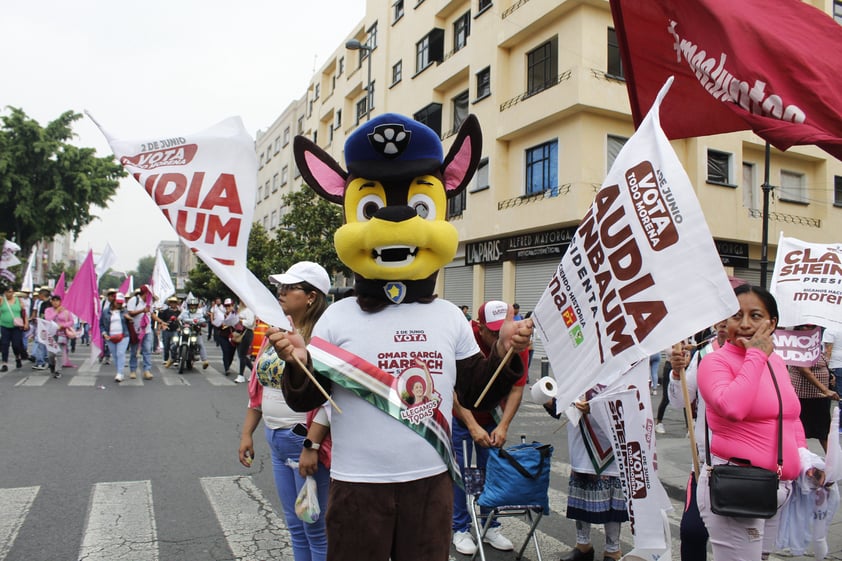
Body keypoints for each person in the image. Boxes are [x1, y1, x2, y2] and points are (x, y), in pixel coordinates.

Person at [276, 113, 531, 561]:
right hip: (357, 486)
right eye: (370, 209)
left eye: (419, 208)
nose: (395, 219)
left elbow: (475, 392)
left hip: (430, 482)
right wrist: (297, 361)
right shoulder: (338, 316)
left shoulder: (449, 315)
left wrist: (506, 351)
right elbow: (306, 399)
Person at [697, 284, 818, 561]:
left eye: (755, 316)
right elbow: (732, 407)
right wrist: (755, 355)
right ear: (725, 322)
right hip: (740, 487)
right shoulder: (715, 363)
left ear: (772, 323)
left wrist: (806, 459)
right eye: (737, 316)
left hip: (776, 488)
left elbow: (789, 415)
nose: (745, 324)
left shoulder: (776, 362)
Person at [239, 261, 333, 561]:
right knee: (295, 524)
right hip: (276, 439)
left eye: (289, 287)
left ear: (311, 297)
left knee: (315, 528)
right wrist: (247, 434)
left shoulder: (323, 336)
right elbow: (260, 389)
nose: (280, 292)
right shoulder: (279, 332)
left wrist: (312, 445)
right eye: (280, 286)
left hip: (302, 440)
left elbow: (329, 398)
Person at [451, 301, 527, 555]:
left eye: (501, 330)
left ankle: (490, 524)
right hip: (461, 416)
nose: (498, 336)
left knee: (491, 472)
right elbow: (451, 388)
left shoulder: (515, 340)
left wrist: (503, 426)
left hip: (493, 416)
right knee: (461, 474)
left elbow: (517, 388)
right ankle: (460, 528)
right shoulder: (465, 337)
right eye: (492, 332)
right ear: (479, 327)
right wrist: (472, 425)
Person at [667, 320, 728, 561]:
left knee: (737, 542)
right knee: (691, 532)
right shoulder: (703, 356)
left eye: (730, 319)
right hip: (705, 464)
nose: (723, 326)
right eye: (719, 321)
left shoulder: (761, 358)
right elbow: (679, 401)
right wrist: (675, 373)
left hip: (743, 468)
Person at [787, 324, 838, 452]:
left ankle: (831, 463)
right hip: (804, 396)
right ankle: (803, 461)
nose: (810, 329)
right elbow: (804, 370)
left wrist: (830, 375)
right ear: (798, 329)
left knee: (824, 431)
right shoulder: (797, 345)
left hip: (819, 397)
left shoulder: (814, 344)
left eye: (813, 326)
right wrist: (825, 389)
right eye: (805, 326)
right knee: (800, 432)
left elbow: (822, 362)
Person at [167, 299, 210, 370]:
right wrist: (176, 320)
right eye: (191, 306)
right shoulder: (184, 312)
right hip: (184, 331)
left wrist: (201, 322)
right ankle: (171, 359)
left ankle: (205, 361)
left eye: (194, 306)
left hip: (195, 332)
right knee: (174, 343)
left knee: (200, 344)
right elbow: (179, 318)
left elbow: (203, 320)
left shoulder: (199, 313)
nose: (192, 307)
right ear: (188, 306)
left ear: (196, 306)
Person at [126, 284, 156, 380]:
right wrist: (142, 310)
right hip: (135, 330)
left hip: (147, 330)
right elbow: (130, 312)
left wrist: (161, 322)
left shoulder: (149, 302)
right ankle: (133, 370)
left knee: (147, 350)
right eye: (149, 293)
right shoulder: (133, 300)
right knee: (134, 352)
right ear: (145, 293)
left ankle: (147, 370)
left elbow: (151, 314)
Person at [101, 292, 130, 382]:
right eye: (118, 303)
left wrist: (129, 318)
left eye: (121, 303)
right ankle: (119, 371)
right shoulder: (106, 311)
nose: (119, 305)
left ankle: (120, 373)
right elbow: (101, 324)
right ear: (113, 301)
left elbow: (131, 323)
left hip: (123, 335)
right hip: (110, 336)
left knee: (120, 353)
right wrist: (104, 333)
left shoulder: (124, 310)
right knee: (115, 355)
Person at [43, 294, 74, 379]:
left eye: (57, 300)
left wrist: (62, 325)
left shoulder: (66, 311)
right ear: (51, 301)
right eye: (54, 300)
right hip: (51, 334)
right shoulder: (48, 310)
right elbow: (48, 319)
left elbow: (71, 322)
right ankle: (52, 365)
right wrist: (56, 312)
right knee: (51, 354)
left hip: (61, 334)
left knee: (59, 353)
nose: (55, 302)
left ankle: (58, 370)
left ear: (60, 302)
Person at [1, 284, 29, 372]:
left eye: (12, 292)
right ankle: (4, 363)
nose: (10, 294)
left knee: (16, 345)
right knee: (4, 344)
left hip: (16, 327)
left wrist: (26, 323)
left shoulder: (19, 300)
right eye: (8, 292)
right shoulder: (2, 300)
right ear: (5, 293)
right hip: (4, 326)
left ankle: (18, 357)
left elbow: (24, 313)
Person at [823, 325, 842, 432]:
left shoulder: (830, 330)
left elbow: (828, 351)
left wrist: (826, 367)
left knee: (837, 396)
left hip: (835, 365)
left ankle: (839, 424)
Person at [234, 302, 256, 384]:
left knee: (242, 355)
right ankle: (254, 372)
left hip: (246, 333)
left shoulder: (249, 310)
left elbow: (250, 323)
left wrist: (240, 320)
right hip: (240, 333)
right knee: (241, 355)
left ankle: (241, 375)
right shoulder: (241, 309)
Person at [215, 297, 238, 375]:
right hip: (223, 336)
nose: (228, 307)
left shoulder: (236, 314)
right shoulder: (221, 315)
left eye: (229, 305)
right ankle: (226, 368)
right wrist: (221, 324)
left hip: (233, 337)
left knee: (231, 353)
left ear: (233, 305)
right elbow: (216, 325)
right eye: (226, 306)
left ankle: (228, 365)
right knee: (226, 352)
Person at [157, 297, 181, 366]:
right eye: (171, 302)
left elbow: (182, 321)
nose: (173, 304)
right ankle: (166, 359)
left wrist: (179, 328)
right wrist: (160, 328)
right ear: (169, 303)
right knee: (166, 345)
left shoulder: (179, 312)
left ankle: (174, 359)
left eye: (174, 302)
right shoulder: (165, 311)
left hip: (175, 330)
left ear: (177, 303)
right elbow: (161, 320)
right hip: (166, 330)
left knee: (175, 345)